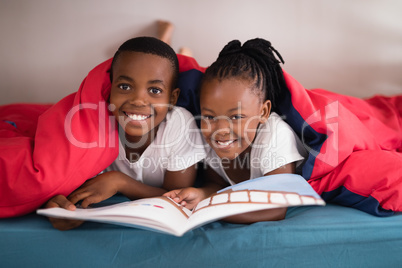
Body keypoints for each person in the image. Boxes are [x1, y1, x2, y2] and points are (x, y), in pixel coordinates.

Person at [44, 36, 207, 230]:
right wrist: (58, 204)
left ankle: (174, 44)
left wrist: (120, 182)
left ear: (172, 99)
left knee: (179, 62)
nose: (138, 100)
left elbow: (176, 198)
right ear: (109, 89)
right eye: (124, 87)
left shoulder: (180, 124)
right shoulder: (96, 123)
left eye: (154, 90)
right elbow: (63, 181)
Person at [164, 38, 307, 223]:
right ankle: (176, 45)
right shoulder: (206, 137)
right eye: (209, 116)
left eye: (236, 117)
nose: (220, 130)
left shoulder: (274, 136)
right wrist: (201, 194)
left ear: (263, 112)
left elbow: (275, 210)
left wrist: (205, 210)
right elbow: (217, 182)